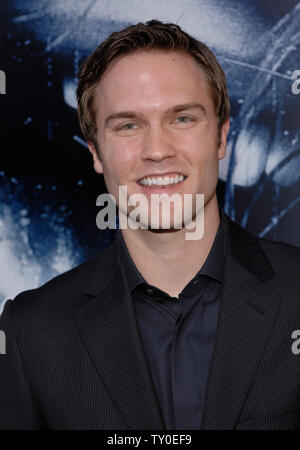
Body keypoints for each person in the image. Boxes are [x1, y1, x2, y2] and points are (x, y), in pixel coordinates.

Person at [1, 20, 300, 430]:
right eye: (128, 125)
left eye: (182, 119)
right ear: (97, 153)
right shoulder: (32, 330)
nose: (157, 150)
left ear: (222, 138)